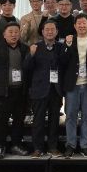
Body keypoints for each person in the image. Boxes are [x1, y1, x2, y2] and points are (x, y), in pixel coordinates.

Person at [23, 20, 66, 158]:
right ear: (42, 32)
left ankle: (53, 147)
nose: (50, 32)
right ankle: (38, 148)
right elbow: (27, 68)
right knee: (38, 121)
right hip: (39, 89)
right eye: (47, 29)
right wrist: (31, 55)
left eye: (52, 29)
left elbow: (65, 64)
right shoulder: (35, 47)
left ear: (57, 32)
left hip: (55, 89)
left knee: (54, 121)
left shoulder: (61, 47)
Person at [0, 22, 30, 159]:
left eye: (16, 32)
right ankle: (1, 145)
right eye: (10, 32)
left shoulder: (25, 48)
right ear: (4, 34)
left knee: (19, 119)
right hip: (3, 90)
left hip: (20, 90)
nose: (13, 34)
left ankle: (16, 145)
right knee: (2, 120)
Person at [62, 14, 87, 158]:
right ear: (75, 26)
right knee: (70, 116)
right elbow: (63, 61)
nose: (82, 26)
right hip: (72, 84)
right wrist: (67, 45)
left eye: (84, 23)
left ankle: (85, 145)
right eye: (79, 23)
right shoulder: (69, 39)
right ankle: (70, 145)